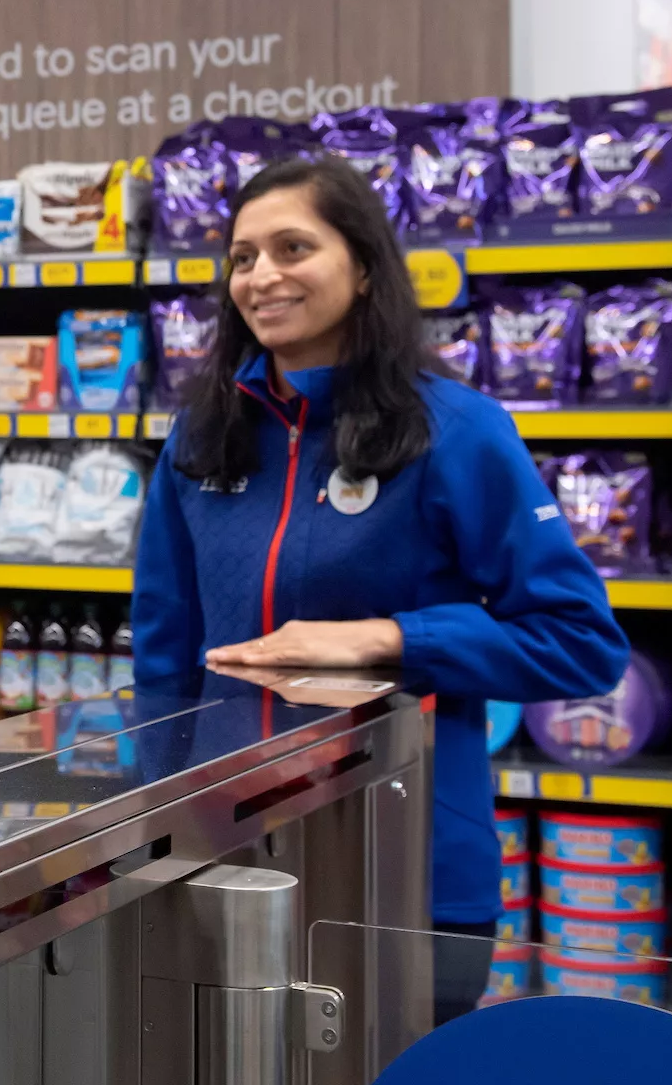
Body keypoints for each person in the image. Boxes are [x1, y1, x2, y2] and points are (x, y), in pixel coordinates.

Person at [131, 155, 628, 1019]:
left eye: (293, 247)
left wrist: (388, 638)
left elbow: (581, 643)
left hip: (405, 872)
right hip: (224, 864)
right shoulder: (201, 436)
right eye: (243, 258)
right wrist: (156, 836)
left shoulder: (455, 431)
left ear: (362, 268)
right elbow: (164, 660)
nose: (262, 276)